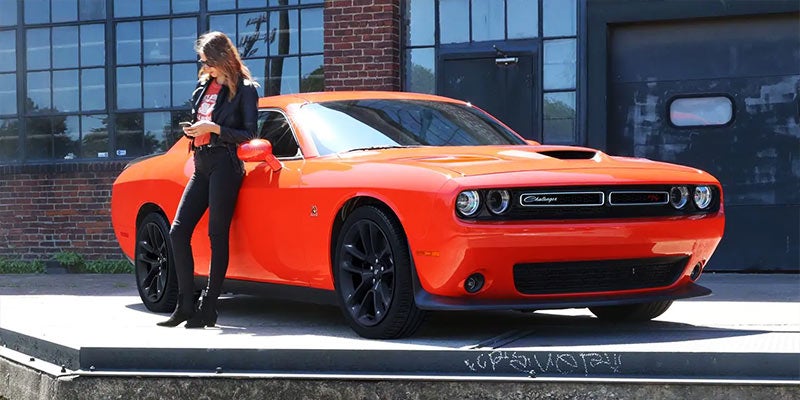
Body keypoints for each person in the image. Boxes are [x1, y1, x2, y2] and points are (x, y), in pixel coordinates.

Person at [157, 31, 259, 329]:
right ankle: (185, 305)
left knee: (217, 235)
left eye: (207, 60)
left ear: (220, 57)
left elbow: (250, 134)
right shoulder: (203, 87)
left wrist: (214, 128)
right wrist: (194, 131)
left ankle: (209, 307)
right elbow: (203, 123)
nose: (204, 65)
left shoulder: (245, 89)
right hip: (201, 162)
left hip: (226, 164)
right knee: (178, 232)